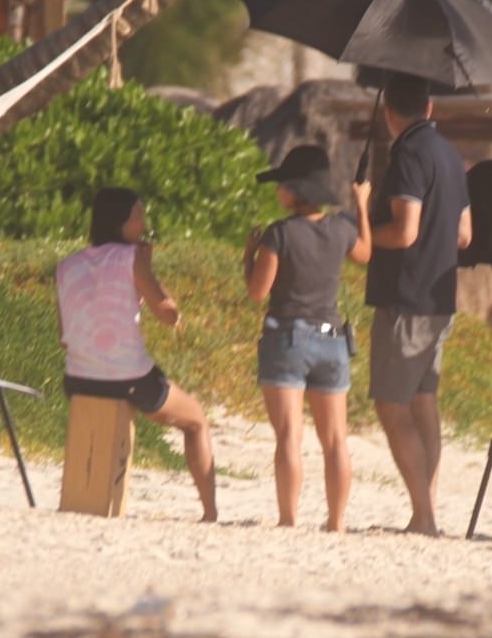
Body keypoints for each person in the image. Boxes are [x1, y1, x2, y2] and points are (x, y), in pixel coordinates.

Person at [56, 188, 216, 522]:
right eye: (138, 217)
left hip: (76, 378)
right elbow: (168, 314)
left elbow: (64, 336)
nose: (143, 224)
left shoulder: (66, 265)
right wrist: (147, 267)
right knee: (196, 421)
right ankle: (210, 513)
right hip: (127, 379)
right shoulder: (132, 259)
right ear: (120, 223)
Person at [243, 145, 372, 531]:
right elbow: (365, 253)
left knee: (288, 436)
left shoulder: (279, 234)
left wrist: (249, 256)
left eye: (282, 184)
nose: (279, 191)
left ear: (295, 190)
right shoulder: (341, 229)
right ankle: (336, 521)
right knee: (336, 441)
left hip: (288, 337)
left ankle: (288, 518)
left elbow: (257, 291)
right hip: (333, 340)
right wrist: (361, 204)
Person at [365, 73, 472, 536]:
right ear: (430, 108)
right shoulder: (449, 153)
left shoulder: (406, 154)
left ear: (389, 112)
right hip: (440, 296)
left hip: (405, 296)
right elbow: (465, 234)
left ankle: (424, 516)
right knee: (424, 400)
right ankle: (424, 512)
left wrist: (362, 232)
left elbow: (404, 232)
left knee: (392, 406)